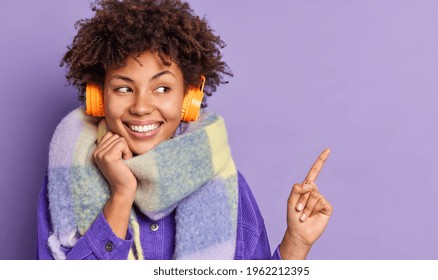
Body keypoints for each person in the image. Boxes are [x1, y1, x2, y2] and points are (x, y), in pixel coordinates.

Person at [37, 0, 333, 260]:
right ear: (99, 97)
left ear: (188, 100)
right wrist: (121, 195)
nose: (141, 107)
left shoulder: (226, 183)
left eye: (162, 88)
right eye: (124, 88)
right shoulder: (69, 176)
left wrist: (296, 243)